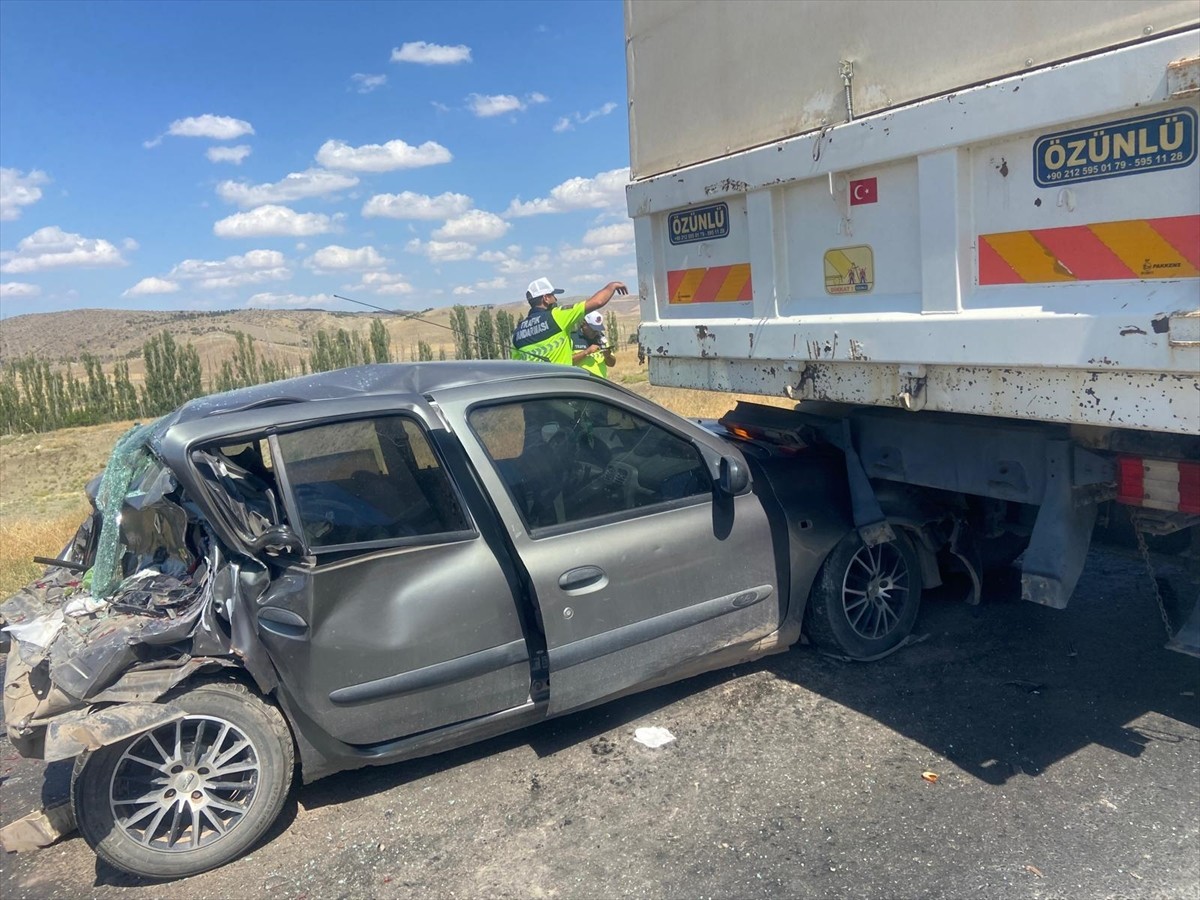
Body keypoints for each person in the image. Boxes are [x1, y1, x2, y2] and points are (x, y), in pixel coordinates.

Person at [511, 277, 627, 365]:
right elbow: (597, 302)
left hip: (536, 389)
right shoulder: (556, 316)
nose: (555, 299)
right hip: (563, 385)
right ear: (545, 298)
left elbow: (518, 366)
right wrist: (612, 286)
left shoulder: (517, 333)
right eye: (552, 295)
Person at [572, 311, 616, 378]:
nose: (596, 332)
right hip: (582, 381)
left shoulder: (601, 337)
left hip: (600, 382)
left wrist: (608, 356)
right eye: (593, 329)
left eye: (598, 329)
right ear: (584, 324)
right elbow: (566, 362)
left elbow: (612, 364)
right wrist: (586, 352)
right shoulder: (573, 337)